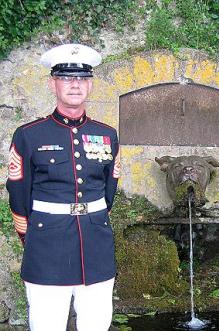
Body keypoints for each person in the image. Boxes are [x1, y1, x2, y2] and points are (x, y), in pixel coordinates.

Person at [6, 44, 120, 331]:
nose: (74, 85)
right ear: (52, 84)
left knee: (96, 324)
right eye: (66, 78)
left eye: (81, 79)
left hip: (96, 245)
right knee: (47, 324)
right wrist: (29, 237)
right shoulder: (29, 135)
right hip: (47, 247)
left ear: (90, 85)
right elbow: (18, 194)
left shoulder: (107, 135)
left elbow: (109, 190)